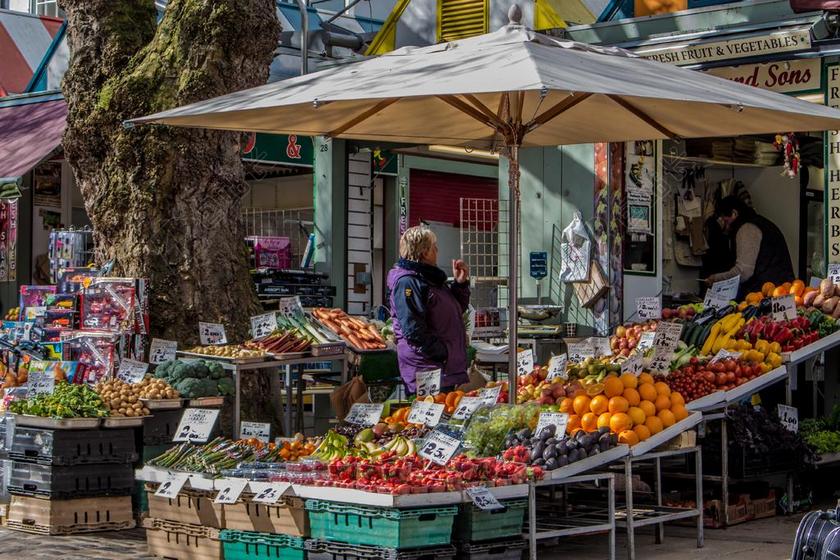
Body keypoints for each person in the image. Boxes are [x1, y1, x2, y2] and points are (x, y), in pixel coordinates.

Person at [387, 226, 470, 393]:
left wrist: (460, 285)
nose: (437, 250)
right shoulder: (408, 282)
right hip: (427, 367)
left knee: (443, 413)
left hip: (442, 366)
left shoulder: (430, 280)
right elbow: (413, 329)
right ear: (424, 252)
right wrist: (442, 352)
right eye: (434, 246)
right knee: (430, 415)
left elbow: (454, 311)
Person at [706, 195, 794, 297]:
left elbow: (743, 272)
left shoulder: (747, 229)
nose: (724, 226)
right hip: (784, 289)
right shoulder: (763, 223)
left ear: (734, 213)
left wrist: (716, 279)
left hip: (767, 293)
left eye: (724, 219)